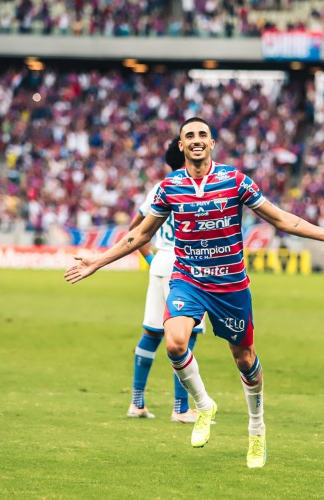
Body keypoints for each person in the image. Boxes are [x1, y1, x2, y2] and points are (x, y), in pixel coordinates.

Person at [64, 117, 324, 469]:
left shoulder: (235, 181)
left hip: (230, 285)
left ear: (211, 143)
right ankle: (204, 404)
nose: (196, 140)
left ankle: (257, 429)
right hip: (188, 279)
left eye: (202, 135)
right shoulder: (170, 187)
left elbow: (283, 219)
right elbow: (139, 235)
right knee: (175, 343)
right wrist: (98, 261)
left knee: (244, 359)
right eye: (189, 136)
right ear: (181, 146)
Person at [126, 138, 206, 423]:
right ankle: (181, 408)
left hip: (160, 262)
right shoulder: (197, 187)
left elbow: (134, 229)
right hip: (187, 267)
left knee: (152, 333)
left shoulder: (159, 187)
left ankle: (137, 403)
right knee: (186, 337)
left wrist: (149, 259)